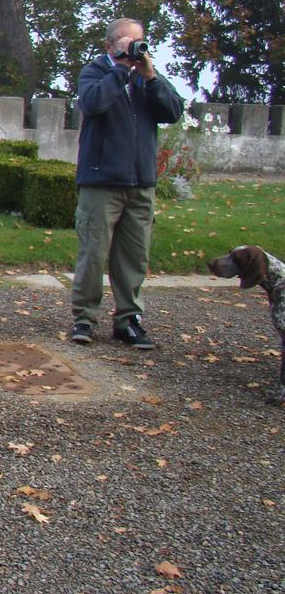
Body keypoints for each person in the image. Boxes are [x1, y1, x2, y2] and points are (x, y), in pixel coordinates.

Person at [70, 17, 185, 350]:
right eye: (125, 41)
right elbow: (92, 103)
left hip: (140, 183)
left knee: (134, 258)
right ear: (109, 45)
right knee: (93, 254)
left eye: (138, 41)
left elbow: (173, 111)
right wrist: (119, 70)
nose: (133, 47)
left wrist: (150, 76)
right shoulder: (95, 72)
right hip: (101, 181)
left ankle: (128, 320)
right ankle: (84, 318)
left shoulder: (147, 78)